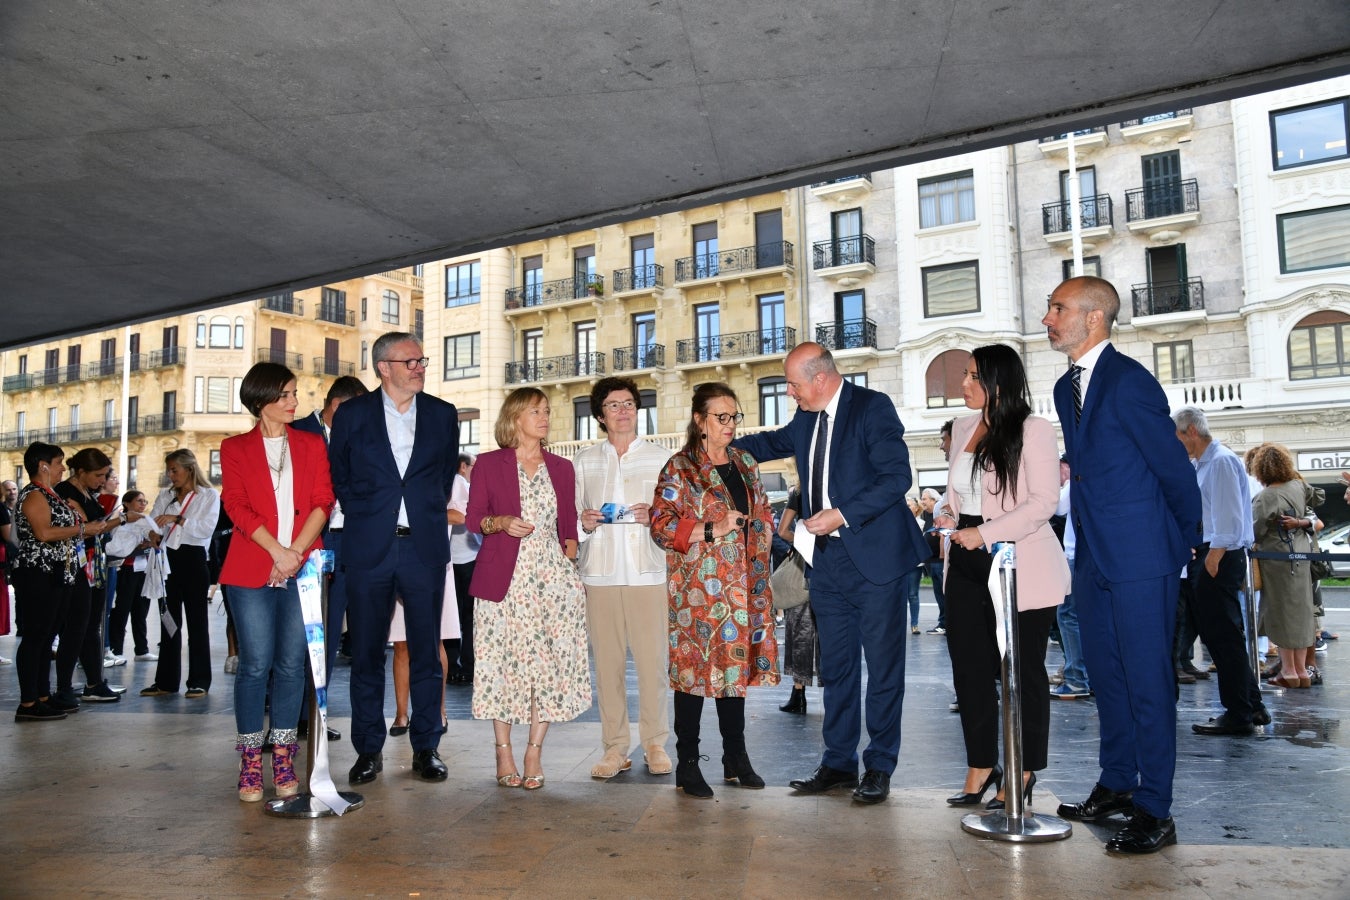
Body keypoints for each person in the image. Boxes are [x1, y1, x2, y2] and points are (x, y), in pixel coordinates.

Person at [1043, 276, 1201, 854]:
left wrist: (1182, 542)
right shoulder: (1067, 388)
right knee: (1107, 680)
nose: (1048, 318)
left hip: (1141, 558)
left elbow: (1175, 470)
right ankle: (1116, 783)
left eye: (1058, 308)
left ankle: (1155, 807)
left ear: (1093, 318)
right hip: (1092, 559)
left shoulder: (1131, 382)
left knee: (1148, 685)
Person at [735, 344, 928, 805]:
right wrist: (718, 441)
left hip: (876, 560)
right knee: (837, 669)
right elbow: (770, 443)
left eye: (794, 384)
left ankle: (879, 765)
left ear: (820, 379)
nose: (790, 392)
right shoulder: (807, 417)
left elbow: (896, 477)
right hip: (827, 564)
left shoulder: (872, 408)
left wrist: (840, 514)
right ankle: (839, 762)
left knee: (883, 671)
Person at [935, 345, 1069, 810]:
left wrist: (984, 532)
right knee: (969, 670)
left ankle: (1024, 769)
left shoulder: (1034, 429)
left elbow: (1042, 503)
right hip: (965, 561)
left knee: (1023, 672)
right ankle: (981, 764)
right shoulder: (963, 427)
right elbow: (958, 493)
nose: (963, 383)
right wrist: (948, 514)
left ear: (998, 381)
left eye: (973, 376)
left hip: (1019, 562)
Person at [329, 332, 459, 784]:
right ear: (383, 367)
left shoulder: (443, 415)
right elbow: (339, 476)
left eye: (423, 359)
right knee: (365, 654)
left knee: (426, 652)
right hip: (368, 547)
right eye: (410, 361)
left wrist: (420, 513)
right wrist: (370, 514)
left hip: (422, 547)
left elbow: (443, 479)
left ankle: (427, 747)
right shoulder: (352, 414)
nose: (420, 367)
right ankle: (368, 750)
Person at [650, 382, 779, 799]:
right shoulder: (680, 468)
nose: (729, 424)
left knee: (734, 674)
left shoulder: (745, 462)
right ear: (699, 420)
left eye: (734, 416)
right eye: (720, 417)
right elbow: (660, 525)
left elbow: (760, 514)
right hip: (699, 594)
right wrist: (711, 528)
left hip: (745, 586)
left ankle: (735, 758)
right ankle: (687, 764)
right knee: (692, 676)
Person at [217, 362, 334, 801]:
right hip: (251, 566)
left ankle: (283, 754)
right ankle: (251, 759)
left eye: (295, 393)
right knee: (254, 663)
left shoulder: (310, 444)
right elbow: (237, 505)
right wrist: (276, 552)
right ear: (261, 399)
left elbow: (324, 500)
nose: (294, 402)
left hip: (301, 565)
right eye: (285, 395)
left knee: (290, 664)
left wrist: (294, 555)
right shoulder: (234, 448)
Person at [467, 388, 590, 790]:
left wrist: (570, 565)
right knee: (501, 664)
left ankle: (534, 749)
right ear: (515, 417)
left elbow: (567, 528)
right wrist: (500, 522)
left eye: (547, 411)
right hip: (504, 578)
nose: (544, 417)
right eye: (535, 410)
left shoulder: (562, 467)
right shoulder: (488, 464)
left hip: (553, 581)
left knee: (550, 667)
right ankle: (503, 750)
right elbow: (474, 521)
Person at [574, 376, 674, 779]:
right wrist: (583, 522)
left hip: (648, 572)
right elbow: (573, 519)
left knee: (653, 665)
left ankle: (654, 744)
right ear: (600, 415)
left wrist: (656, 516)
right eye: (614, 404)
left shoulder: (662, 458)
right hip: (600, 574)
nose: (623, 410)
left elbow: (676, 517)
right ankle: (615, 748)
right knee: (608, 667)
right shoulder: (584, 460)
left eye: (629, 403)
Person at [1171, 407, 1266, 735]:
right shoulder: (1208, 462)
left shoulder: (1221, 461)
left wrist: (1214, 557)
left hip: (1218, 555)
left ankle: (1239, 712)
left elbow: (1229, 517)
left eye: (1179, 436)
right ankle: (1251, 705)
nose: (1178, 443)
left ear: (1191, 431)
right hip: (1214, 554)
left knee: (1222, 638)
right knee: (1224, 637)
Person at [12, 443, 117, 720]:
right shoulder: (34, 494)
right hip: (38, 571)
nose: (62, 468)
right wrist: (85, 528)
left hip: (58, 571)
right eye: (58, 463)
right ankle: (28, 703)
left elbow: (67, 527)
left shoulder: (51, 495)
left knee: (47, 636)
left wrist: (85, 524)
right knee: (36, 636)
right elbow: (44, 533)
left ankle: (42, 696)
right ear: (43, 466)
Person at [291, 374, 367, 688]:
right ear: (336, 405)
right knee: (298, 629)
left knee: (331, 627)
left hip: (347, 541)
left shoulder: (360, 439)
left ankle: (315, 713)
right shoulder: (295, 432)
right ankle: (288, 711)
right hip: (306, 540)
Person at [54, 449, 139, 704]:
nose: (102, 480)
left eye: (104, 475)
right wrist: (121, 519)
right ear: (81, 472)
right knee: (76, 627)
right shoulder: (66, 493)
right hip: (78, 565)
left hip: (92, 563)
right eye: (98, 475)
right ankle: (65, 686)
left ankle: (94, 682)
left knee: (90, 625)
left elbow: (92, 526)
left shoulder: (86, 493)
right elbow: (86, 529)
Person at [140, 449, 221, 699]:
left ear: (189, 469)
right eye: (169, 470)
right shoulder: (165, 495)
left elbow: (206, 529)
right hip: (168, 560)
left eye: (175, 469)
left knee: (197, 621)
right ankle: (165, 680)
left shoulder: (208, 495)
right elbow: (151, 522)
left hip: (193, 559)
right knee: (168, 620)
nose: (171, 475)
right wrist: (151, 534)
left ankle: (199, 680)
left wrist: (179, 519)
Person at [1249, 443, 1318, 690]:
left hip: (1277, 559)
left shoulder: (1267, 496)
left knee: (1281, 613)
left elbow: (1254, 530)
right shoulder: (1298, 486)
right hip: (1302, 556)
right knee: (1301, 613)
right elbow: (1315, 497)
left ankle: (1289, 671)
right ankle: (1301, 671)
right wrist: (1301, 521)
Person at [1052, 456, 1093, 700]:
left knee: (1067, 616)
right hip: (1089, 557)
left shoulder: (1077, 481)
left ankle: (1077, 678)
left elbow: (1056, 507)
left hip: (1075, 556)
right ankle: (1087, 676)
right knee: (1084, 618)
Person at [776, 486, 818, 715]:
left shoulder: (799, 492)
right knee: (833, 630)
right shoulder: (839, 483)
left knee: (800, 629)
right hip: (835, 564)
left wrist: (803, 543)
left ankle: (799, 695)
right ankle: (837, 695)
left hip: (804, 566)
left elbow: (782, 531)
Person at [105, 490, 159, 661]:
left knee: (141, 610)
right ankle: (116, 648)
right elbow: (117, 545)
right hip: (126, 570)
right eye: (139, 501)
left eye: (145, 501)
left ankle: (141, 649)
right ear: (127, 503)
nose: (143, 504)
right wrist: (137, 546)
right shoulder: (119, 521)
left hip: (142, 569)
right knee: (122, 609)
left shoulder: (146, 521)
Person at [445, 454, 480, 684]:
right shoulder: (460, 483)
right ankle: (466, 665)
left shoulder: (448, 482)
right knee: (467, 617)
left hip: (451, 560)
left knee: (451, 617)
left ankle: (452, 664)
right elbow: (467, 516)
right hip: (466, 559)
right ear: (463, 466)